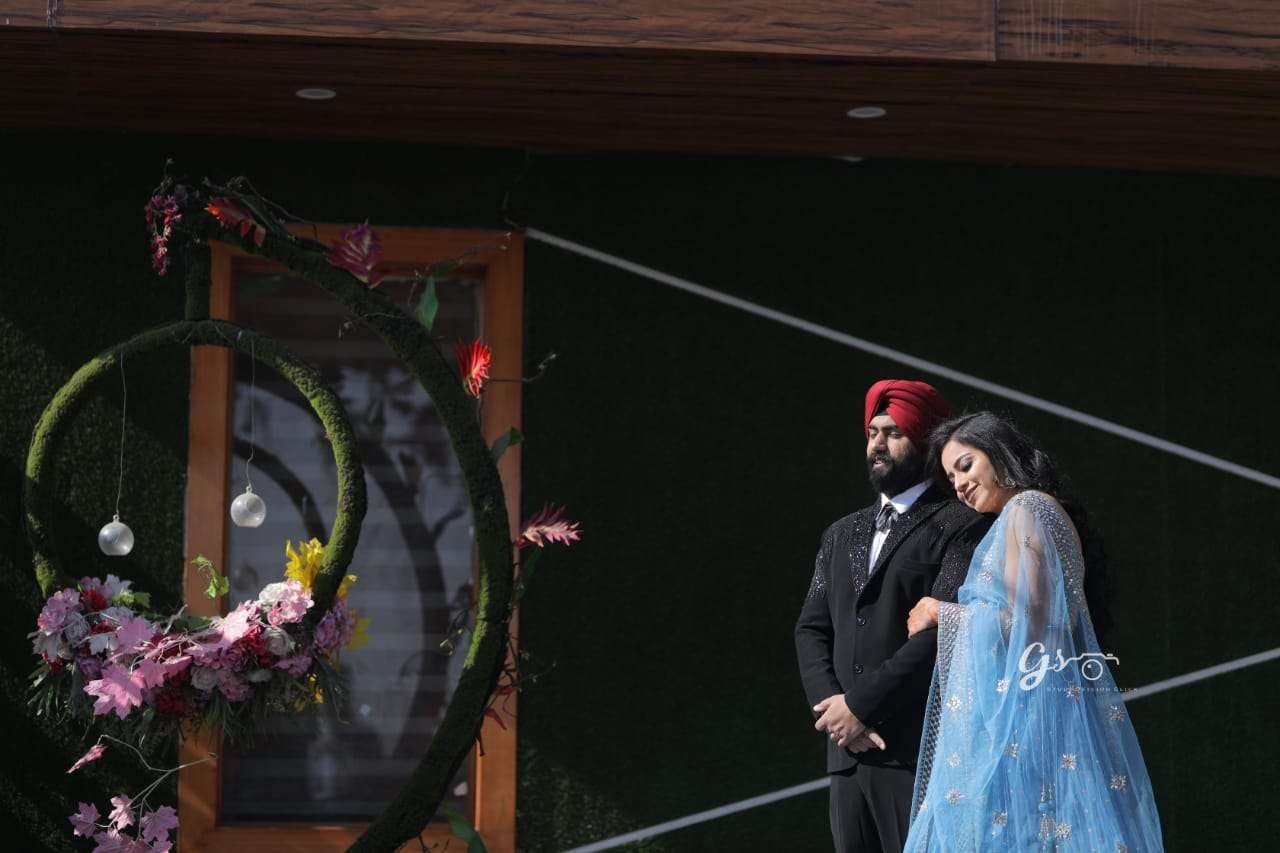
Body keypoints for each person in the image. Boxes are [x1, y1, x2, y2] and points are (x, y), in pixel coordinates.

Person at [903, 412, 1163, 851]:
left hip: (1033, 714)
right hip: (1047, 705)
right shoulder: (1034, 511)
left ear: (999, 453)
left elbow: (1032, 623)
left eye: (965, 465)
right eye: (951, 478)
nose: (959, 484)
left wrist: (941, 613)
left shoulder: (1027, 509)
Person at [796, 380, 993, 853]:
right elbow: (811, 627)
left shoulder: (961, 523)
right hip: (847, 753)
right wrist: (833, 710)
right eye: (872, 433)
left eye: (893, 433)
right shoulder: (840, 533)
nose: (878, 445)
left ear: (924, 440)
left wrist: (860, 707)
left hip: (917, 750)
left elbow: (939, 634)